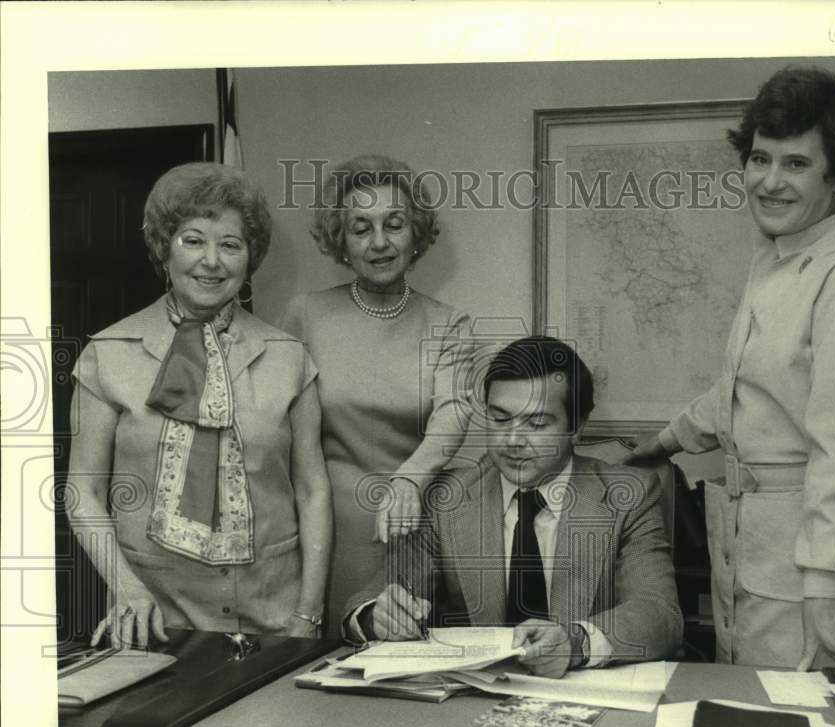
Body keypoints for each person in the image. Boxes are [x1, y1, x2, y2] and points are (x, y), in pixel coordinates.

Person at [625, 67, 835, 669]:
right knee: (743, 711)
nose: (769, 182)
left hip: (810, 555)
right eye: (760, 159)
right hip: (747, 540)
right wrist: (665, 441)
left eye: (796, 164)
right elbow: (744, 389)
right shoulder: (773, 262)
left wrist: (826, 590)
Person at [67, 162, 332, 647]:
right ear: (164, 247)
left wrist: (307, 616)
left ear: (249, 259)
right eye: (193, 240)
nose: (211, 261)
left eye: (230, 245)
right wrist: (127, 590)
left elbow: (312, 491)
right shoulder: (107, 354)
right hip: (153, 621)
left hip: (274, 618)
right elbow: (80, 493)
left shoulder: (289, 357)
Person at [343, 336, 684, 678]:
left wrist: (574, 643)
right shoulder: (447, 498)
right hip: (470, 705)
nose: (513, 441)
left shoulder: (628, 496)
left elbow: (658, 613)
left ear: (577, 427)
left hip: (585, 693)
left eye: (536, 424)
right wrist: (378, 616)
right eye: (500, 419)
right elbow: (373, 596)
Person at [282, 155, 474, 629]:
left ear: (416, 234)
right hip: (322, 528)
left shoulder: (449, 324)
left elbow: (455, 410)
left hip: (416, 526)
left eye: (394, 224)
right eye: (361, 228)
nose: (380, 242)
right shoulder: (304, 315)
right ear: (341, 241)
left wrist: (411, 478)